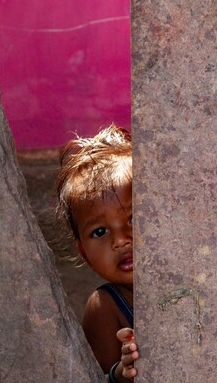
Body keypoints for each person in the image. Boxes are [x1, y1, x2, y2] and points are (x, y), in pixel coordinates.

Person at [55, 125, 139, 382]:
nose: (121, 240)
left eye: (134, 219)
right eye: (100, 232)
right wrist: (124, 372)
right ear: (83, 252)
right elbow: (97, 377)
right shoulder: (104, 307)